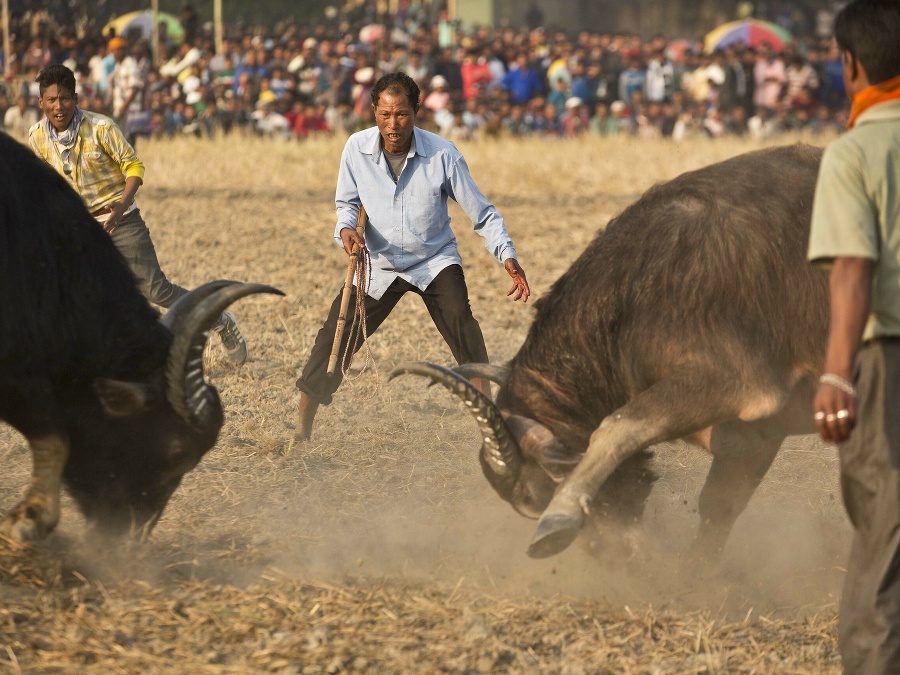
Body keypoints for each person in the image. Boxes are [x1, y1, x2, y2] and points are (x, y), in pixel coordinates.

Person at [294, 71, 531, 442]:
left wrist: (507, 256)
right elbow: (346, 204)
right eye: (385, 115)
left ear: (417, 112)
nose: (393, 125)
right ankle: (301, 433)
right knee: (333, 339)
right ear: (373, 112)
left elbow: (482, 213)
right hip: (378, 263)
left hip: (433, 260)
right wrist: (346, 230)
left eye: (402, 114)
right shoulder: (356, 149)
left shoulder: (443, 154)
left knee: (463, 326)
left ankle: (493, 428)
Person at [29, 64, 249, 366]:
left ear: (76, 98)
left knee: (155, 289)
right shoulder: (37, 137)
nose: (58, 106)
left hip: (121, 219)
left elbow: (134, 167)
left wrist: (120, 206)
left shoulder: (101, 128)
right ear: (40, 102)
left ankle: (218, 318)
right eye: (51, 100)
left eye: (65, 98)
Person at [807, 1, 900, 672]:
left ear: (851, 64)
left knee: (883, 543)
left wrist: (836, 373)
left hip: (888, 364)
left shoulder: (856, 151)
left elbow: (852, 268)